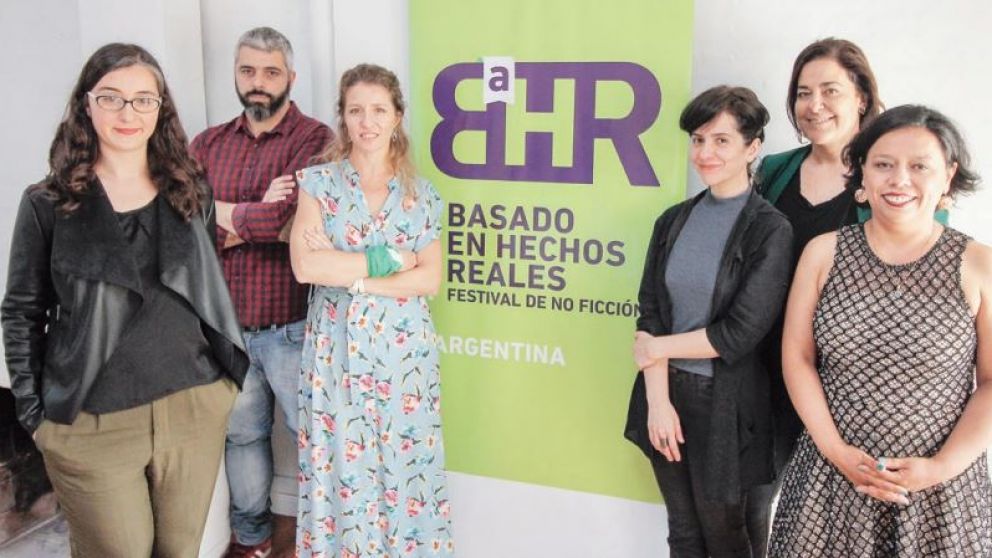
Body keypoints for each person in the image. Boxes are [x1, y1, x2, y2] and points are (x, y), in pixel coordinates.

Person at [1, 43, 248, 557]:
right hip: (93, 420)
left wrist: (224, 384)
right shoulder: (48, 203)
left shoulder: (190, 188)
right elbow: (22, 311)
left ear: (160, 109)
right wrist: (35, 418)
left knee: (179, 551)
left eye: (143, 99)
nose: (127, 113)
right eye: (111, 97)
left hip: (193, 406)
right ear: (86, 104)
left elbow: (206, 285)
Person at [769, 105, 991, 557]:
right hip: (828, 484)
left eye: (919, 166)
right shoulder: (823, 253)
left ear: (948, 176)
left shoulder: (979, 264)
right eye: (884, 164)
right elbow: (797, 357)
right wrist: (835, 450)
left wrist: (939, 467)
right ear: (862, 175)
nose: (899, 180)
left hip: (941, 494)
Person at [289, 63, 453, 556]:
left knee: (406, 469)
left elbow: (430, 278)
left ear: (397, 116)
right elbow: (306, 266)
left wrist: (355, 277)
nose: (368, 121)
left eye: (379, 110)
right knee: (341, 468)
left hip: (405, 361)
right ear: (342, 116)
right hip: (335, 354)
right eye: (356, 110)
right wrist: (391, 260)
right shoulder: (318, 184)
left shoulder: (422, 195)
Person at [624, 86, 793, 557]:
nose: (705, 153)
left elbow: (738, 333)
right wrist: (658, 402)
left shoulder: (770, 230)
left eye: (721, 140)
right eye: (698, 140)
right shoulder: (672, 221)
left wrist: (657, 348)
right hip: (666, 394)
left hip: (727, 405)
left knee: (726, 537)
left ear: (752, 147)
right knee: (682, 531)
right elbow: (650, 312)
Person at [189, 26, 332, 558]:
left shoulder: (314, 140)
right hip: (226, 327)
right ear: (235, 73)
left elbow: (291, 223)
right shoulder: (207, 144)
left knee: (315, 438)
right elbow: (182, 225)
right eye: (248, 70)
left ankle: (323, 539)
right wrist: (254, 215)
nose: (258, 82)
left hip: (292, 325)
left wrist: (221, 215)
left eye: (271, 72)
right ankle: (252, 540)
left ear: (290, 77)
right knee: (242, 436)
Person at [756, 38, 884, 475]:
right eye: (803, 93)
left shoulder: (889, 179)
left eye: (831, 91)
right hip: (768, 367)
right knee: (757, 499)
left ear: (861, 97)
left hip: (849, 381)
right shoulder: (774, 170)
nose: (814, 106)